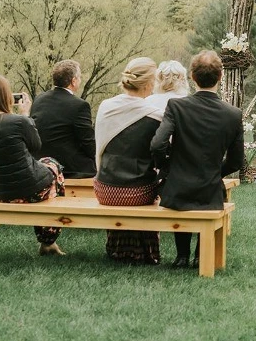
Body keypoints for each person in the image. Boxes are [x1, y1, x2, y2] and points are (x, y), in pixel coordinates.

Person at [151, 51, 244, 269]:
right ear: (220, 77)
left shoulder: (176, 106)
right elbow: (236, 162)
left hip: (177, 187)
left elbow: (157, 144)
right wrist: (215, 172)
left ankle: (182, 256)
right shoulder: (232, 114)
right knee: (211, 193)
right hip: (209, 188)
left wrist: (167, 166)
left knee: (184, 196)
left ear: (192, 76)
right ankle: (198, 256)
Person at [0, 74, 66, 256]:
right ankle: (48, 240)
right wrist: (25, 115)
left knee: (42, 165)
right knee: (52, 164)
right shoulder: (19, 122)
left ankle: (48, 240)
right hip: (30, 191)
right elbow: (36, 146)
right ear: (6, 96)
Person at [93, 57, 164, 264]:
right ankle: (144, 252)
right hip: (138, 192)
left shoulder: (105, 107)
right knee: (153, 183)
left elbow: (99, 148)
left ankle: (118, 249)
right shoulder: (156, 116)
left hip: (105, 188)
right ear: (149, 84)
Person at [30, 60, 96, 179]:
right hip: (69, 168)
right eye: (79, 77)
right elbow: (88, 142)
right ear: (73, 81)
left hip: (41, 164)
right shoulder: (79, 105)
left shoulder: (39, 99)